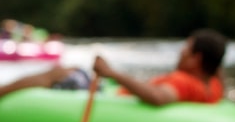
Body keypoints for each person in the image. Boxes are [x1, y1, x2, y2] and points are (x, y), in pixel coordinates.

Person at [93, 29, 226, 105]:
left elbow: (158, 97)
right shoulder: (215, 86)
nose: (181, 51)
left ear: (196, 59)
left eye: (187, 47)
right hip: (112, 90)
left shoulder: (183, 83)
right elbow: (216, 65)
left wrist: (111, 73)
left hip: (111, 96)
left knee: (76, 78)